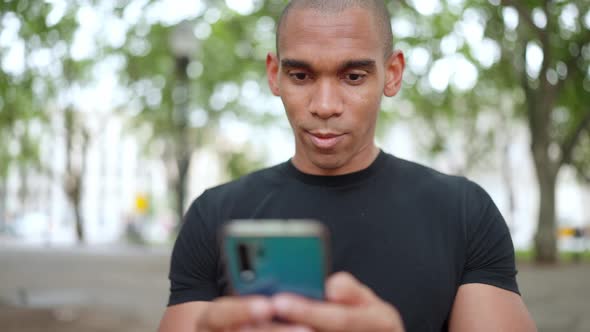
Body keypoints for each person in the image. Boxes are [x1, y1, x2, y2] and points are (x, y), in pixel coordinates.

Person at [158, 1, 536, 331]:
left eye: (353, 76)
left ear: (392, 74)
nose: (324, 105)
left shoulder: (464, 212)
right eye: (301, 76)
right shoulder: (213, 214)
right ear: (275, 75)